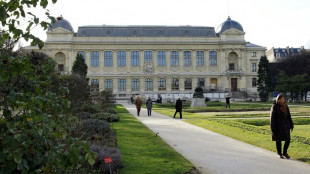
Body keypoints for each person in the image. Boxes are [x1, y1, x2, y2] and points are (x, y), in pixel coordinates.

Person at [270, 93, 294, 159]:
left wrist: (291, 125)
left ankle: (285, 152)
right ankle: (280, 153)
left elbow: (289, 116)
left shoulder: (286, 106)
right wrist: (273, 128)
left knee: (288, 139)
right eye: (281, 99)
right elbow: (272, 118)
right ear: (278, 100)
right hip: (278, 126)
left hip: (286, 126)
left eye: (283, 99)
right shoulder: (275, 106)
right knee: (279, 140)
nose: (283, 100)